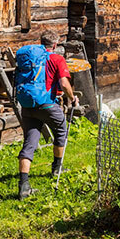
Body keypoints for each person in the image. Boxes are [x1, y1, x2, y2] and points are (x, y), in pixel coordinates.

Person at [13, 31, 78, 199]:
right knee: (61, 131)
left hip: (28, 106)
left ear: (41, 43)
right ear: (55, 45)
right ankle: (57, 168)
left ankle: (24, 186)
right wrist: (72, 97)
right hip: (47, 104)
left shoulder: (32, 59)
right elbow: (64, 83)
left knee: (29, 143)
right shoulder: (57, 59)